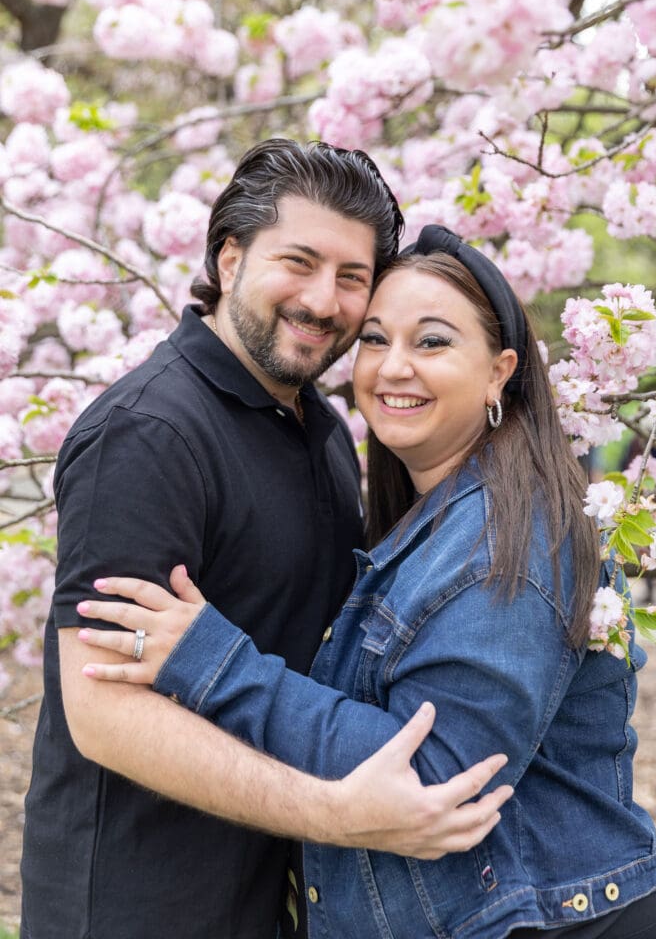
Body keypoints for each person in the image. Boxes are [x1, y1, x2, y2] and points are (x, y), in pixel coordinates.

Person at [79, 225, 656, 939]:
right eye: (373, 339)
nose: (394, 367)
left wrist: (214, 664)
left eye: (431, 342)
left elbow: (432, 776)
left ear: (499, 372)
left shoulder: (510, 536)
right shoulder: (432, 515)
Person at [20, 153, 512, 939]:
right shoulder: (149, 433)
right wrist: (335, 813)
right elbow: (102, 712)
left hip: (266, 897)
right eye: (298, 261)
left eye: (351, 277)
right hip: (138, 906)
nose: (322, 300)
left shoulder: (322, 430)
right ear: (229, 258)